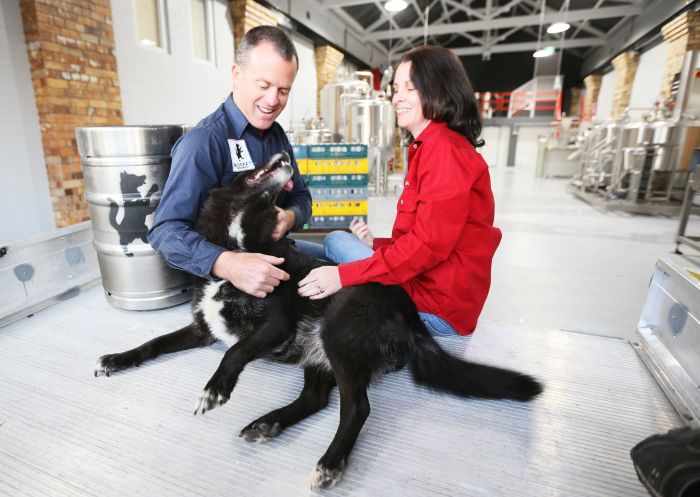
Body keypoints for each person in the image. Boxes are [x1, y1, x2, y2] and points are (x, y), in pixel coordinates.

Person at [298, 45, 502, 336]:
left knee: (334, 243)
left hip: (433, 311)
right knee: (326, 249)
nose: (398, 98)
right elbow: (426, 237)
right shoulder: (433, 146)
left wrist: (342, 276)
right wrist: (377, 245)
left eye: (411, 88)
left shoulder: (444, 152)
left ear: (441, 91)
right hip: (432, 294)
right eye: (396, 89)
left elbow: (425, 247)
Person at [149, 26, 319, 299]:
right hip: (229, 285)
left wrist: (288, 218)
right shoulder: (203, 143)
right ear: (236, 75)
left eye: (284, 90)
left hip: (278, 257)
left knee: (344, 264)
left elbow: (302, 198)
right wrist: (227, 263)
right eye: (263, 86)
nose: (273, 100)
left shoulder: (277, 137)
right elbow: (165, 232)